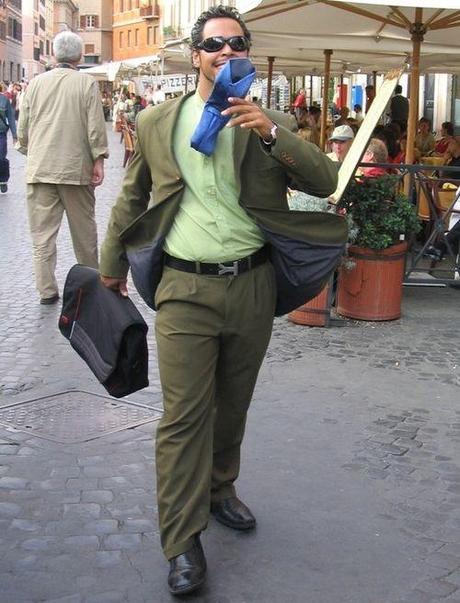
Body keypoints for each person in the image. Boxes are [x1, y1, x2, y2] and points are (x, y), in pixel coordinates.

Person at [99, 5, 340, 596]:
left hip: (252, 283)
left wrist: (270, 131)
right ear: (195, 54)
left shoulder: (267, 123)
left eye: (238, 44)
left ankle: (221, 488)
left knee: (233, 404)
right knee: (183, 417)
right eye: (215, 45)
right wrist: (110, 270)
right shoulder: (157, 122)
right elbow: (132, 199)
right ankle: (182, 540)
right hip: (183, 288)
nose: (227, 53)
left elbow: (324, 181)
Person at [16, 30, 108, 305]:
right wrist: (99, 159)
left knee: (42, 237)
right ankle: (92, 286)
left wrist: (29, 149)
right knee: (84, 235)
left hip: (40, 169)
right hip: (75, 170)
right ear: (80, 56)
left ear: (54, 55)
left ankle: (47, 291)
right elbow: (95, 125)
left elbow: (23, 129)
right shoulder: (86, 83)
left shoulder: (34, 84)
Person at [0, 83, 17, 193]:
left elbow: (10, 118)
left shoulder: (4, 99)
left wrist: (14, 135)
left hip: (1, 133)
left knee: (1, 157)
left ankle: (3, 180)